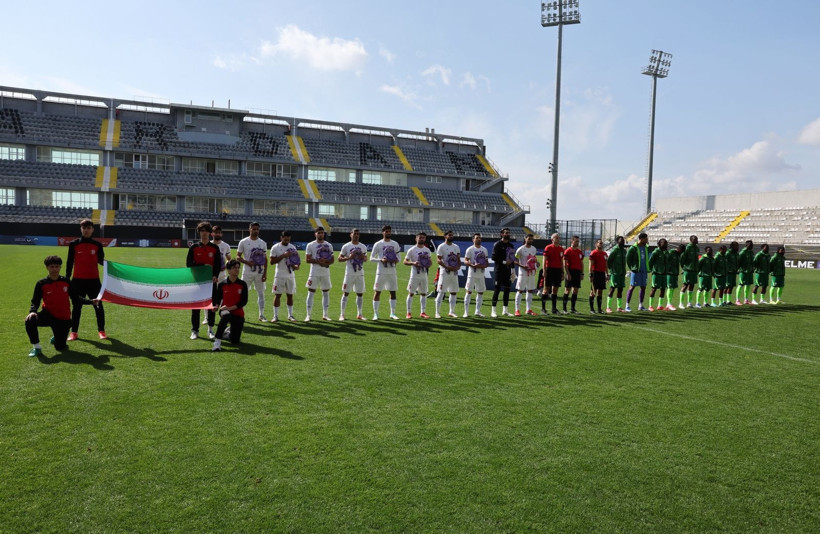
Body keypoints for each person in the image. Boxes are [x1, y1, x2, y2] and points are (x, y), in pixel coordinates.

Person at [25, 255, 98, 357]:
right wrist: (33, 311)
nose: (54, 269)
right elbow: (35, 301)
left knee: (60, 347)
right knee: (30, 320)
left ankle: (57, 335)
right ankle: (37, 347)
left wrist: (91, 301)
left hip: (63, 318)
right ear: (47, 268)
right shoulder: (41, 283)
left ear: (60, 267)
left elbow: (76, 298)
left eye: (56, 266)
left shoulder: (66, 282)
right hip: (48, 314)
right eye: (52, 267)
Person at [65, 218, 106, 340]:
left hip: (94, 281)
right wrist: (68, 278)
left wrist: (113, 267)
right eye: (84, 228)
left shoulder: (97, 245)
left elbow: (101, 261)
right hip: (77, 281)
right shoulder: (74, 244)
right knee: (77, 306)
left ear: (92, 230)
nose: (86, 230)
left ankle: (102, 331)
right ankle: (74, 332)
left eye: (89, 228)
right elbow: (69, 261)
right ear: (81, 229)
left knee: (98, 305)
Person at [187, 221, 220, 339]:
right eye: (202, 231)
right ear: (199, 233)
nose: (204, 233)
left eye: (206, 230)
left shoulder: (215, 248)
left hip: (211, 282)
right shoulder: (194, 248)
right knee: (195, 308)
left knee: (211, 307)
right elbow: (189, 264)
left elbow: (217, 264)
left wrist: (215, 275)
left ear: (210, 233)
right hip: (197, 282)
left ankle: (210, 330)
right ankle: (194, 331)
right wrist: (203, 265)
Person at [211, 260, 248, 352]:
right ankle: (217, 343)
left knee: (235, 341)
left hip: (238, 314)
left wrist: (230, 308)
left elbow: (243, 302)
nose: (237, 269)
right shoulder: (222, 284)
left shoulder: (242, 284)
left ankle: (227, 332)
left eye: (238, 267)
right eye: (234, 268)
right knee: (226, 315)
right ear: (228, 270)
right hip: (225, 311)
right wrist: (215, 307)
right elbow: (218, 299)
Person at [236, 222, 268, 321]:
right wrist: (247, 262)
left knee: (261, 293)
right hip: (247, 272)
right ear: (249, 229)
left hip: (259, 272)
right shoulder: (243, 241)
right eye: (253, 229)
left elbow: (265, 259)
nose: (255, 231)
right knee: (243, 293)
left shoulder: (262, 243)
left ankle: (261, 315)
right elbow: (238, 257)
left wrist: (265, 273)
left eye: (257, 229)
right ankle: (240, 315)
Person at [304, 226, 334, 322]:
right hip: (314, 272)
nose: (321, 234)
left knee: (326, 293)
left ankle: (325, 314)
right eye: (319, 232)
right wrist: (318, 261)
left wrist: (326, 262)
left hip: (325, 272)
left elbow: (332, 260)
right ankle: (308, 315)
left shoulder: (329, 245)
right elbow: (307, 260)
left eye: (322, 232)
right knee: (311, 292)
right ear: (315, 234)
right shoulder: (310, 245)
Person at [370, 225, 400, 320]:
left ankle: (393, 313)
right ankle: (376, 314)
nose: (388, 233)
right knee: (378, 291)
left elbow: (399, 258)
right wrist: (381, 260)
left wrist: (395, 260)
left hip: (392, 272)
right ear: (382, 232)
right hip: (381, 272)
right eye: (386, 231)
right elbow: (371, 258)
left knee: (393, 292)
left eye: (389, 231)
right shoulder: (378, 244)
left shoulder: (395, 244)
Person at [269, 231, 300, 322]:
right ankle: (275, 316)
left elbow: (296, 260)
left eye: (288, 240)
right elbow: (272, 262)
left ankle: (290, 315)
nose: (287, 241)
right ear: (281, 238)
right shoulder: (275, 247)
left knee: (290, 295)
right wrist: (283, 255)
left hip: (290, 275)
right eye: (285, 239)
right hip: (279, 274)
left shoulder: (292, 247)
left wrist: (296, 266)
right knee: (278, 295)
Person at [338, 228, 368, 321]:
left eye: (358, 234)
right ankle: (342, 314)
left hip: (360, 273)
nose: (356, 235)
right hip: (349, 273)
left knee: (360, 294)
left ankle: (359, 314)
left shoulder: (363, 246)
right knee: (346, 293)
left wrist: (362, 256)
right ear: (351, 234)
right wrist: (349, 257)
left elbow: (366, 259)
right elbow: (339, 259)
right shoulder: (346, 246)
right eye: (355, 234)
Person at [403, 231, 432, 319]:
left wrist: (428, 264)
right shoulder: (412, 250)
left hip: (424, 275)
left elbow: (430, 262)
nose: (421, 239)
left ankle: (422, 312)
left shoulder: (427, 250)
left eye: (423, 237)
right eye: (420, 237)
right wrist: (413, 263)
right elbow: (405, 261)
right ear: (416, 238)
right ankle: (408, 313)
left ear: (425, 239)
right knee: (411, 293)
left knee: (424, 293)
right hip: (414, 275)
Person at [435, 230, 462, 318]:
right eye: (449, 235)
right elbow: (438, 260)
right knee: (441, 292)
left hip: (454, 272)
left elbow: (458, 258)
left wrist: (458, 266)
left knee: (453, 292)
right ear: (445, 236)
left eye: (452, 235)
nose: (451, 236)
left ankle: (452, 311)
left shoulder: (456, 247)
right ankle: (437, 312)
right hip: (444, 272)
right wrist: (446, 266)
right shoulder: (441, 246)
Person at [490, 228, 516, 317]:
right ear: (501, 234)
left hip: (508, 271)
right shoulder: (497, 244)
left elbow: (512, 258)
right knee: (497, 290)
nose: (507, 234)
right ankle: (493, 310)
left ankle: (505, 310)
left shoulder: (511, 245)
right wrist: (504, 262)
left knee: (507, 290)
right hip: (499, 270)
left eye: (509, 233)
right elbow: (493, 257)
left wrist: (513, 270)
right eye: (506, 233)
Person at [463, 233, 489, 317]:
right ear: (473, 239)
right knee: (469, 291)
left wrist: (484, 265)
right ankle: (466, 312)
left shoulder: (484, 249)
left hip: (481, 274)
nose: (479, 239)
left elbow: (487, 262)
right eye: (477, 238)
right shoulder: (470, 249)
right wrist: (472, 265)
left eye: (480, 238)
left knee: (480, 292)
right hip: (472, 274)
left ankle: (477, 311)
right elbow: (466, 261)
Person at [514, 233, 539, 316]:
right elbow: (515, 260)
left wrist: (536, 263)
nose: (531, 240)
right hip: (522, 273)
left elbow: (534, 258)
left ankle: (528, 309)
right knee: (520, 290)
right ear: (525, 239)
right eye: (529, 239)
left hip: (531, 273)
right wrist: (522, 266)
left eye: (532, 239)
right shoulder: (520, 249)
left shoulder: (534, 249)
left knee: (530, 290)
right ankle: (517, 310)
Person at [625, 232, 649, 312]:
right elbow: (628, 259)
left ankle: (641, 305)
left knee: (643, 287)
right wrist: (632, 268)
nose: (647, 240)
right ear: (641, 239)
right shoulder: (633, 248)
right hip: (636, 271)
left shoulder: (645, 247)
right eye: (646, 239)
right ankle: (627, 306)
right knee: (632, 287)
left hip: (644, 271)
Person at [542, 232, 564, 314]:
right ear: (552, 239)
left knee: (555, 289)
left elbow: (561, 261)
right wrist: (544, 270)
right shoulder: (548, 248)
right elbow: (544, 260)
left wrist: (562, 272)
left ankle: (554, 309)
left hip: (558, 270)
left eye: (558, 238)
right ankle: (543, 309)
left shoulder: (561, 249)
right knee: (546, 289)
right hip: (549, 270)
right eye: (556, 238)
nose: (558, 239)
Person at [562, 235, 584, 314]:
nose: (578, 242)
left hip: (577, 272)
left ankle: (572, 309)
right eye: (576, 241)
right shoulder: (568, 251)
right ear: (572, 241)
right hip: (570, 271)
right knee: (567, 290)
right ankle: (564, 309)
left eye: (578, 241)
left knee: (575, 290)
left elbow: (581, 263)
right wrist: (568, 273)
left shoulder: (580, 252)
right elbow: (564, 263)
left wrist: (582, 273)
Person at [605, 236, 627, 313]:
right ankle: (608, 307)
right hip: (615, 273)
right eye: (621, 240)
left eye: (623, 240)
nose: (622, 242)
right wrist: (612, 270)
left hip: (622, 274)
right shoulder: (615, 250)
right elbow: (609, 261)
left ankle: (619, 307)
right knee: (612, 289)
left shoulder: (624, 251)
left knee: (620, 289)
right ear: (617, 241)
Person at [647, 238, 669, 311]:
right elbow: (650, 262)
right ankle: (650, 306)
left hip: (664, 274)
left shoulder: (666, 252)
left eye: (666, 243)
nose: (665, 244)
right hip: (656, 273)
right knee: (654, 289)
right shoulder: (655, 252)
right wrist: (649, 270)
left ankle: (660, 305)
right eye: (663, 243)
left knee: (663, 289)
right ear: (659, 244)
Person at [679, 235, 700, 308]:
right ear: (691, 240)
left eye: (697, 239)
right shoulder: (687, 248)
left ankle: (689, 303)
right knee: (685, 285)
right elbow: (682, 258)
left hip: (694, 270)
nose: (697, 240)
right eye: (695, 239)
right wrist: (684, 267)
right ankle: (681, 303)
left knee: (692, 285)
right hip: (688, 270)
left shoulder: (697, 248)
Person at [587, 239, 608, 314]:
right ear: (596, 244)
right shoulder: (593, 253)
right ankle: (592, 309)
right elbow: (590, 265)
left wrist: (607, 274)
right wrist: (590, 274)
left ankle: (599, 309)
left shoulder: (604, 254)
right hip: (595, 273)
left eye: (602, 243)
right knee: (593, 291)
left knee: (600, 292)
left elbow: (606, 265)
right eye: (600, 243)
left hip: (602, 274)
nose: (601, 244)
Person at [736, 240, 755, 305]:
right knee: (741, 285)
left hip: (750, 271)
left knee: (748, 285)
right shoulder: (742, 252)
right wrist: (738, 269)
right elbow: (738, 261)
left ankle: (746, 300)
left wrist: (753, 268)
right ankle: (737, 300)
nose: (752, 245)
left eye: (752, 244)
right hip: (743, 271)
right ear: (746, 245)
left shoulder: (751, 252)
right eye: (750, 244)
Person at [666, 244, 683, 311]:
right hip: (670, 273)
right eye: (681, 251)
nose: (681, 253)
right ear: (678, 249)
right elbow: (666, 261)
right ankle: (669, 303)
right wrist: (668, 270)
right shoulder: (671, 252)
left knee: (673, 288)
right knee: (670, 288)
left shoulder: (678, 254)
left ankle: (668, 303)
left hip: (675, 273)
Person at [725, 241, 740, 306]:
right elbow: (725, 262)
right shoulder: (728, 253)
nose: (738, 247)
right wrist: (728, 269)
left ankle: (728, 301)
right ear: (732, 246)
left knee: (731, 287)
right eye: (736, 246)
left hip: (734, 272)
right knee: (726, 286)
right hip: (728, 273)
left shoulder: (736, 254)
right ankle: (723, 300)